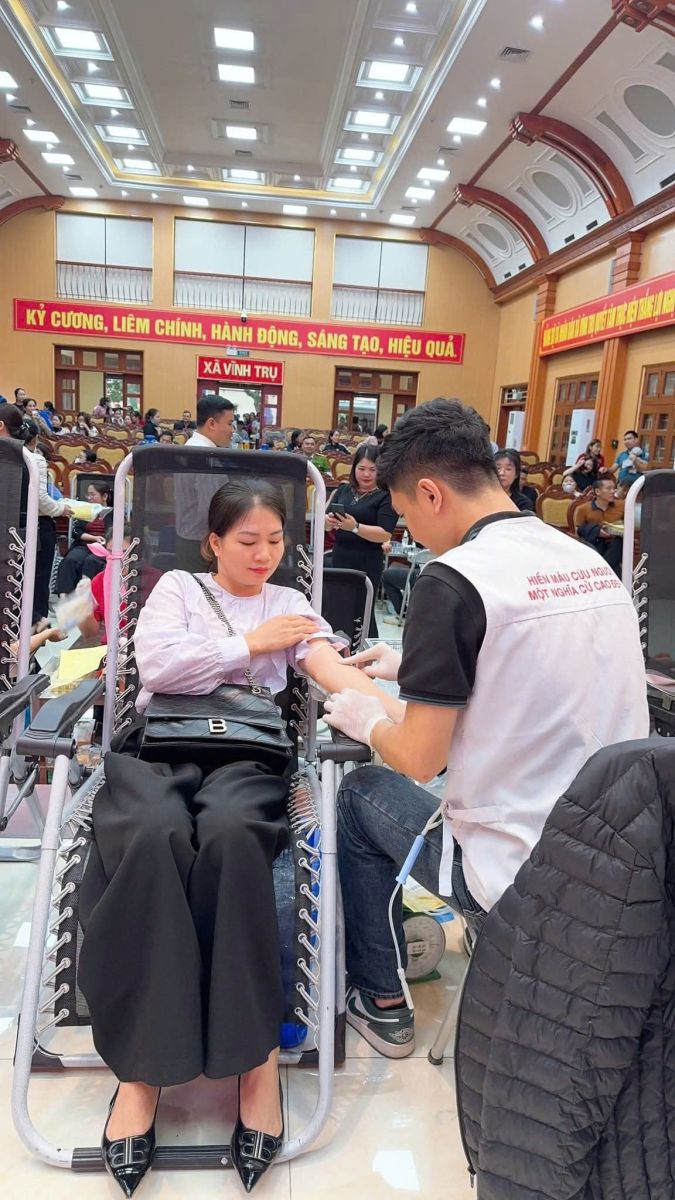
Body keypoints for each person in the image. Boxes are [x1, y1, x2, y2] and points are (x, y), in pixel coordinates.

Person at [77, 479, 403, 1196]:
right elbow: (158, 668)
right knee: (154, 835)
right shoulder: (177, 590)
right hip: (158, 747)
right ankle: (141, 1075)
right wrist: (250, 644)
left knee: (232, 836)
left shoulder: (292, 603)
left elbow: (326, 667)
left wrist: (402, 717)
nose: (263, 555)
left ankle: (255, 1064)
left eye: (275, 542)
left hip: (248, 754)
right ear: (214, 542)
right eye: (248, 541)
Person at [322, 398, 649, 1059]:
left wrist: (367, 715)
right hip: (616, 864)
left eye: (407, 516)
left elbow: (420, 758)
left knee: (359, 796)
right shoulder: (584, 559)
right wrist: (418, 669)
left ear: (430, 493)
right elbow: (542, 672)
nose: (411, 533)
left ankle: (380, 998)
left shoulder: (453, 580)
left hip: (519, 872)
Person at [325, 444, 398, 638]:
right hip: (340, 557)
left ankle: (365, 650)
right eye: (362, 468)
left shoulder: (386, 496)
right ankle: (340, 648)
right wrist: (328, 522)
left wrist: (355, 527)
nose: (366, 474)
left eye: (373, 469)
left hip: (367, 561)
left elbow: (385, 533)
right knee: (339, 608)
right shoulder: (344, 490)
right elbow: (325, 523)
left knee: (362, 610)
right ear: (354, 468)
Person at [174, 394, 237, 571]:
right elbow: (210, 509)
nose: (232, 430)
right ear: (211, 423)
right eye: (229, 423)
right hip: (202, 545)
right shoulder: (205, 457)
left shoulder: (190, 447)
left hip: (188, 538)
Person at [22, 419, 73, 629]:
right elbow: (41, 500)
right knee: (39, 580)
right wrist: (61, 509)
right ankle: (37, 623)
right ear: (35, 439)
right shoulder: (35, 460)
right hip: (37, 526)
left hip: (12, 524)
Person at [56, 481, 113, 595]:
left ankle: (86, 596)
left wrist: (102, 540)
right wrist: (94, 538)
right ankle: (64, 597)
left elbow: (114, 533)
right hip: (84, 545)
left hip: (103, 547)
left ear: (104, 496)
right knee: (70, 560)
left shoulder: (113, 513)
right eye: (88, 494)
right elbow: (76, 531)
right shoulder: (86, 511)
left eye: (93, 494)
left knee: (91, 561)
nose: (89, 498)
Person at [574, 477, 625, 575]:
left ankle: (603, 572)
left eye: (614, 488)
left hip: (616, 544)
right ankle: (607, 573)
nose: (612, 491)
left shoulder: (622, 506)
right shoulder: (583, 509)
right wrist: (596, 531)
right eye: (608, 489)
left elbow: (631, 525)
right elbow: (578, 531)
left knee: (617, 544)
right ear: (597, 491)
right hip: (595, 543)